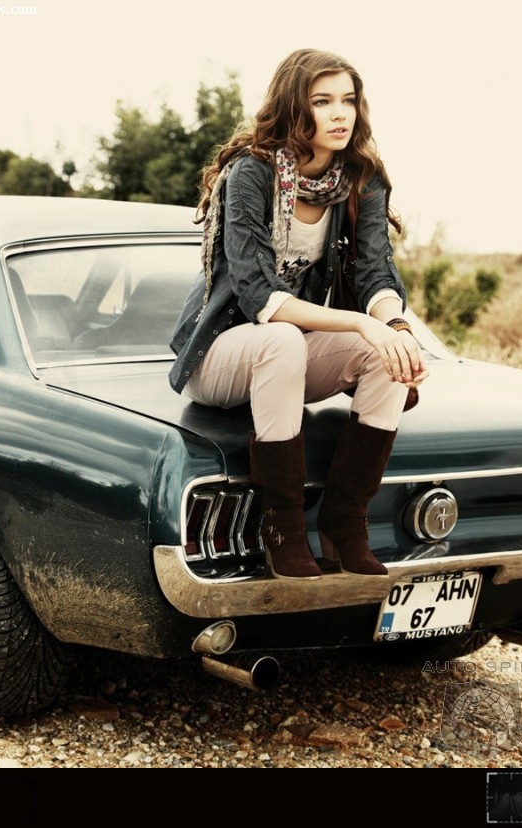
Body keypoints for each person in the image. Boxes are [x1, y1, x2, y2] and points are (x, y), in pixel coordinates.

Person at [169, 48, 427, 579]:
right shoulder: (251, 174)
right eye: (322, 101)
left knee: (384, 356)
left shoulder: (360, 179)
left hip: (286, 359)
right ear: (294, 106)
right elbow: (259, 296)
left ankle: (344, 523)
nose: (340, 114)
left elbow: (376, 274)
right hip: (220, 354)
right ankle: (282, 526)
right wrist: (362, 323)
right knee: (285, 336)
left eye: (348, 100)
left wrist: (396, 328)